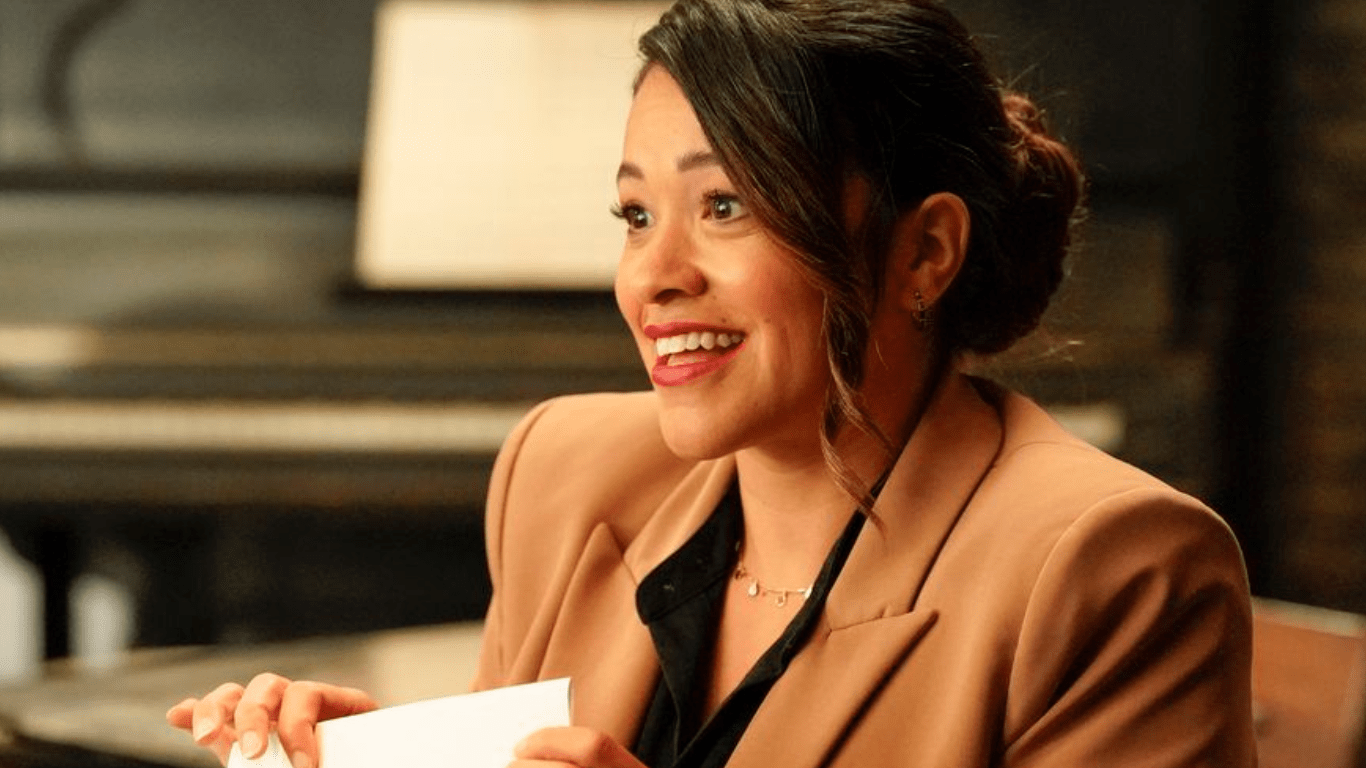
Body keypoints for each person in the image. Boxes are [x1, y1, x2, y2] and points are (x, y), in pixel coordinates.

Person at [168, 0, 1258, 766]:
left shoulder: (1115, 566)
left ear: (924, 252)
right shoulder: (563, 472)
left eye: (725, 207)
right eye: (636, 214)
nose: (654, 277)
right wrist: (382, 756)